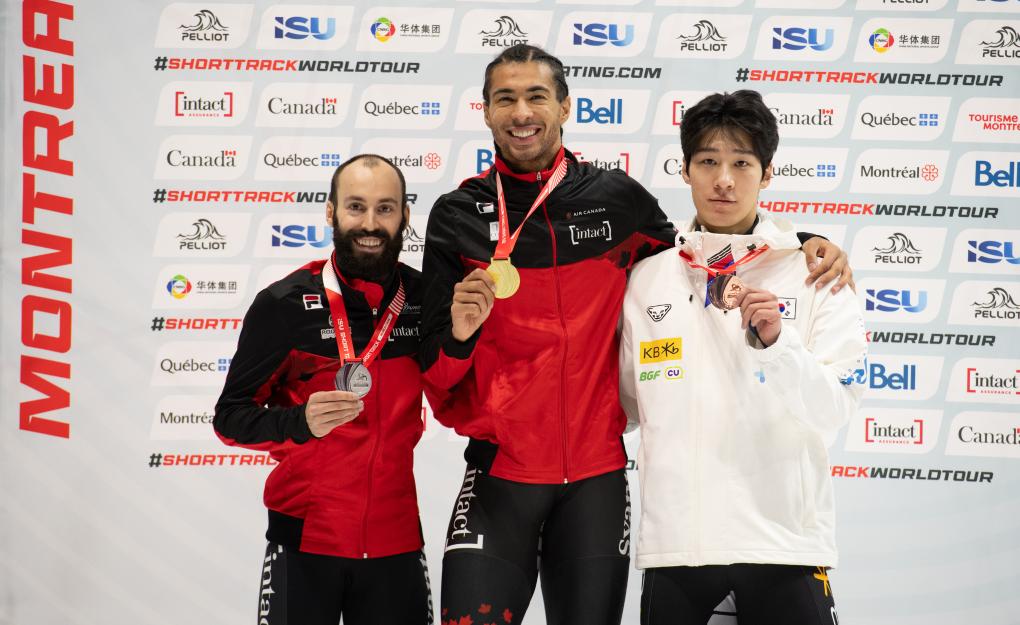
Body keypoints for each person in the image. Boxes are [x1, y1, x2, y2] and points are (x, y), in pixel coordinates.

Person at [420, 44, 853, 625]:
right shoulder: (456, 215)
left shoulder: (617, 200)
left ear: (565, 107)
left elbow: (702, 250)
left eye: (537, 96)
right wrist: (458, 337)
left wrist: (797, 243)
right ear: (486, 110)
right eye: (506, 98)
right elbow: (434, 370)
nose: (522, 112)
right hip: (502, 470)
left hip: (596, 480)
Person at [619, 90, 867, 624]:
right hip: (678, 546)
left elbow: (834, 410)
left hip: (783, 544)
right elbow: (626, 407)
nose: (724, 180)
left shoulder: (815, 272)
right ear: (685, 170)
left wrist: (779, 345)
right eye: (708, 162)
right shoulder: (648, 279)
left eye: (742, 164)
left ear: (767, 173)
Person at [213, 154, 432, 625]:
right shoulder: (284, 304)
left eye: (385, 208)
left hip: (396, 544)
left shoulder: (424, 298)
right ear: (331, 212)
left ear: (405, 216)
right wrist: (299, 422)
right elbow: (230, 418)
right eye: (356, 207)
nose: (369, 223)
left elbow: (458, 394)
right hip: (305, 542)